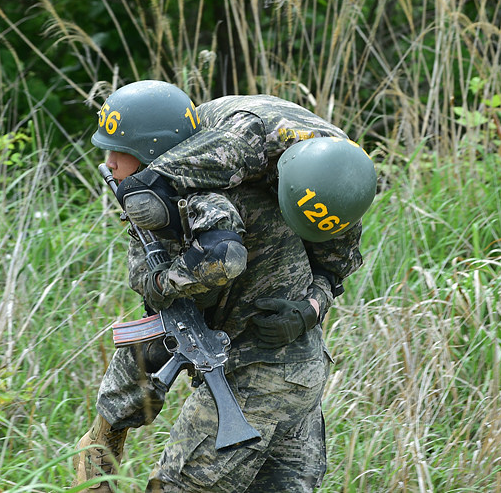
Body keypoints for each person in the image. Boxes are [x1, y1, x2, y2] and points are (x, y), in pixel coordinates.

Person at [73, 80, 375, 492]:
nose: (107, 164)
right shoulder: (217, 155)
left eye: (117, 153)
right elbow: (162, 314)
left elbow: (311, 269)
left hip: (272, 368)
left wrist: (310, 308)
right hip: (288, 371)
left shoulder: (334, 189)